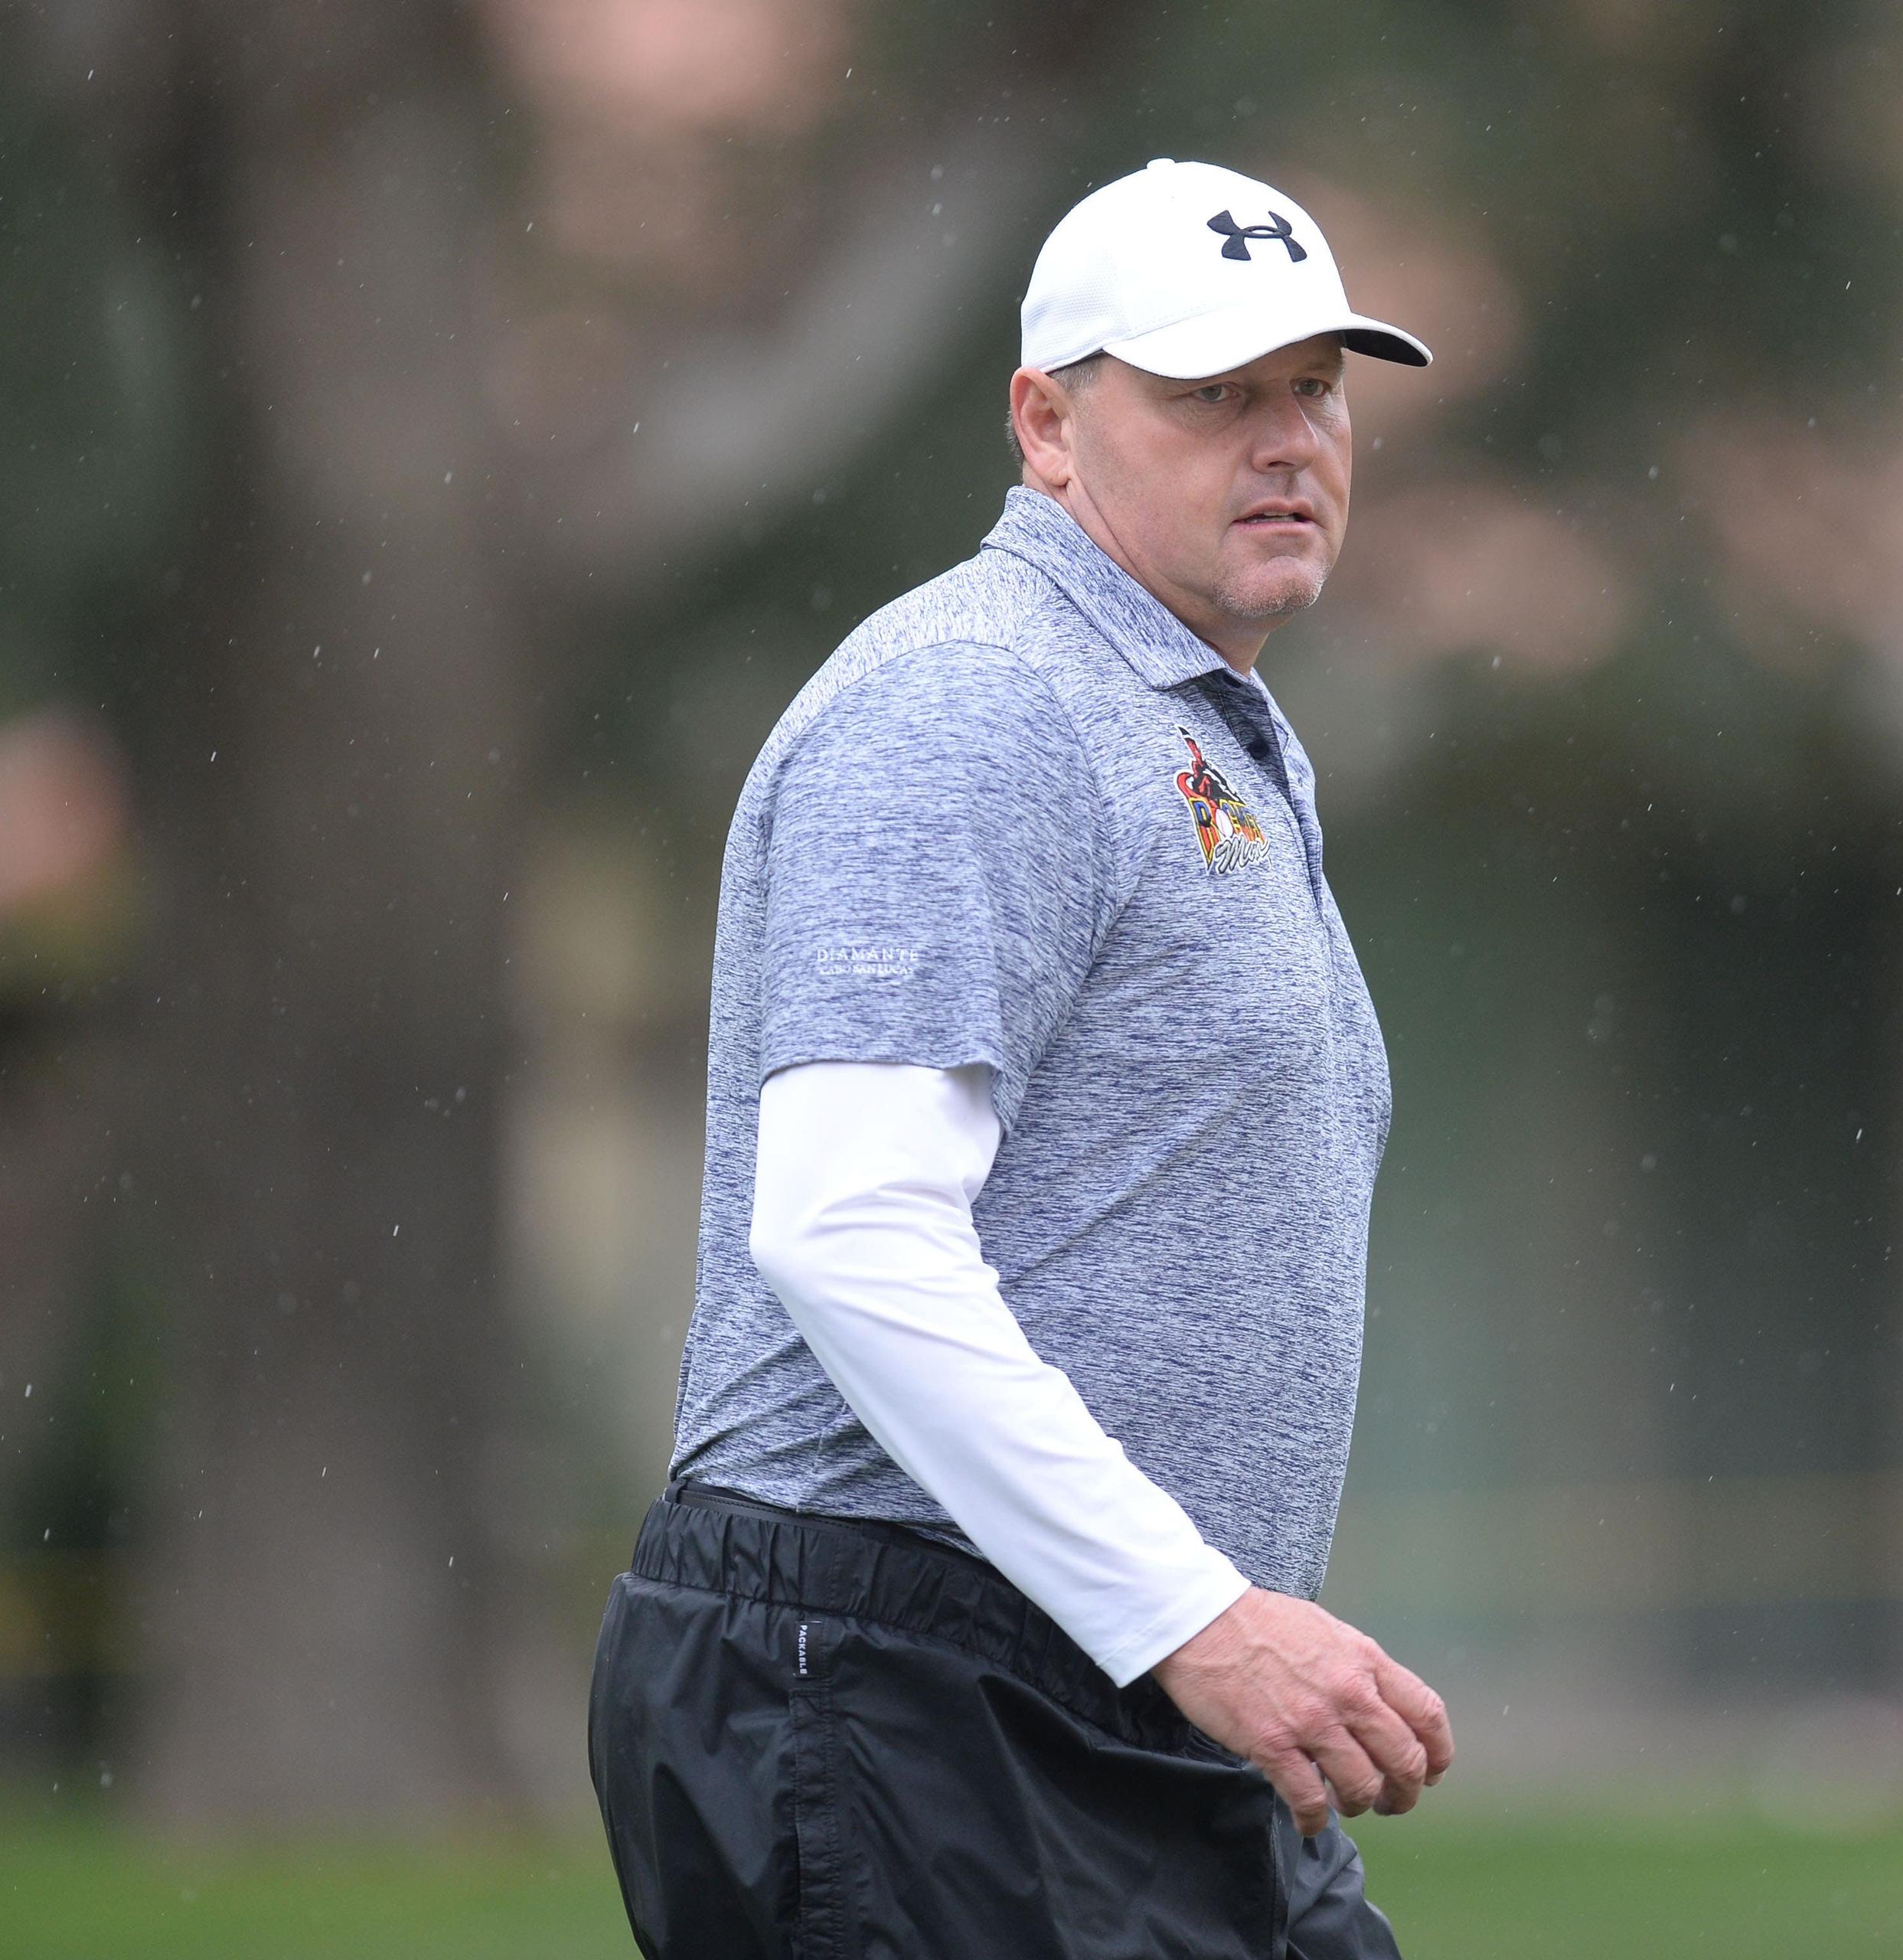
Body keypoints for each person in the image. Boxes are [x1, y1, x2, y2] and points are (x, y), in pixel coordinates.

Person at [587, 157, 1454, 1959]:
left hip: (1110, 1665)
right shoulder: (971, 698)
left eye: (1317, 385)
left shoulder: (1193, 715)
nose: (1289, 438)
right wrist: (1202, 1618)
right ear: (1046, 426)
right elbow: (849, 1229)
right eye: (1217, 392)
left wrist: (1192, 1629)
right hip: (891, 1676)